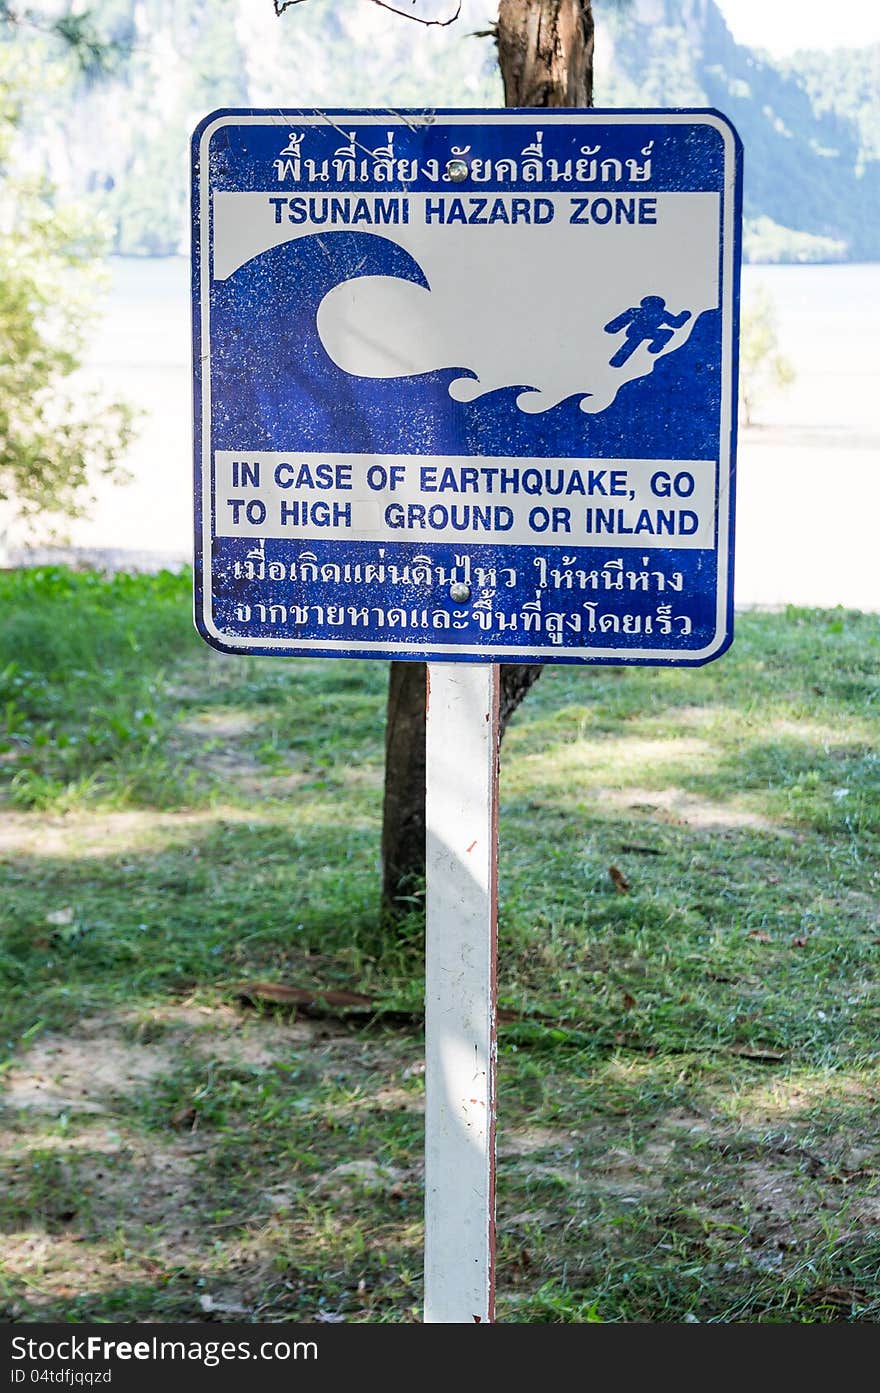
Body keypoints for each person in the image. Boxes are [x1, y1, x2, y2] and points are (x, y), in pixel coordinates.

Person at [604, 295, 692, 368]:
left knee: (631, 344)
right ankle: (656, 345)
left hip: (639, 331)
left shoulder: (637, 311)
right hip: (644, 331)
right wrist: (684, 316)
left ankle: (655, 346)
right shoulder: (660, 313)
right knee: (667, 333)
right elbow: (676, 323)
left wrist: (612, 327)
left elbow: (619, 321)